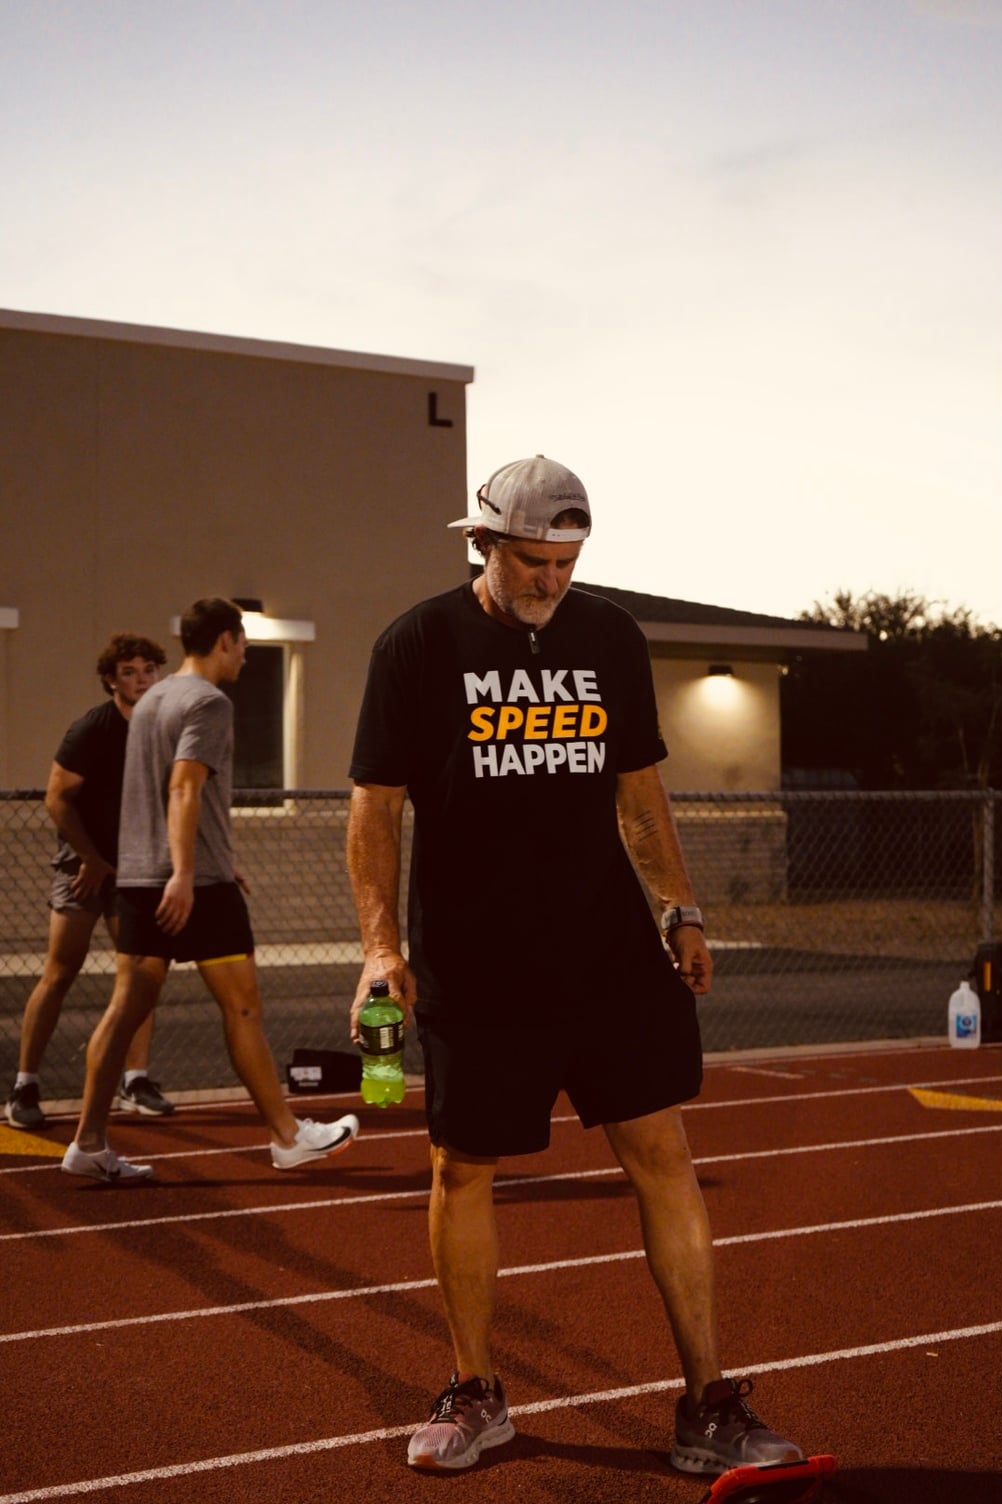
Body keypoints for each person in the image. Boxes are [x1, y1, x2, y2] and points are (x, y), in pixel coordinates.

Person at [346, 456, 805, 1478]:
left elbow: (638, 791)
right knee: (462, 1168)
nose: (550, 580)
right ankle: (475, 1391)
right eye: (530, 560)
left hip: (605, 954)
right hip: (475, 963)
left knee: (664, 1157)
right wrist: (381, 947)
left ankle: (709, 1404)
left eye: (566, 561)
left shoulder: (610, 637)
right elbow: (375, 807)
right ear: (482, 543)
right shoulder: (418, 644)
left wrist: (679, 909)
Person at [62, 597, 359, 1181]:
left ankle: (88, 1143)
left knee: (123, 1011)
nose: (246, 655)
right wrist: (185, 872)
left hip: (141, 880)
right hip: (193, 884)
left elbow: (159, 794)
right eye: (244, 644)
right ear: (225, 640)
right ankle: (288, 1137)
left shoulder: (151, 700)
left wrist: (210, 859)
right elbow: (183, 789)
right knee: (242, 1007)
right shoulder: (209, 702)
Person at [6, 634, 174, 1131]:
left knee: (141, 976)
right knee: (59, 973)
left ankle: (135, 1081)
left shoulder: (162, 729)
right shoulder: (91, 729)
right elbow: (57, 797)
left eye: (148, 670)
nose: (141, 680)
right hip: (81, 869)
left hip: (135, 870)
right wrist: (90, 858)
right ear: (110, 680)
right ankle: (24, 1086)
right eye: (129, 672)